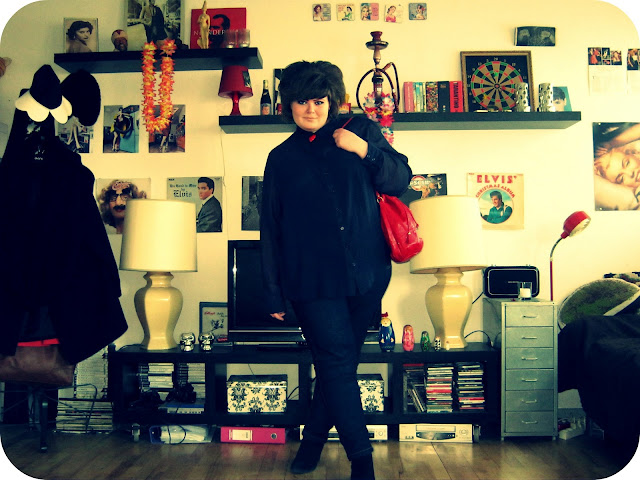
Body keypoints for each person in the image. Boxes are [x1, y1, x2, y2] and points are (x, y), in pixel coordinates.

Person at [260, 60, 411, 480]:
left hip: (368, 276)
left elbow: (400, 179)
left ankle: (311, 442)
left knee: (338, 367)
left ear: (331, 100)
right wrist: (272, 291)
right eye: (302, 101)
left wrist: (364, 149)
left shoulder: (360, 130)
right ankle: (362, 461)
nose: (311, 109)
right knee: (336, 363)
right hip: (312, 281)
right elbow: (270, 227)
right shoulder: (281, 158)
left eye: (319, 100)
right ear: (288, 105)